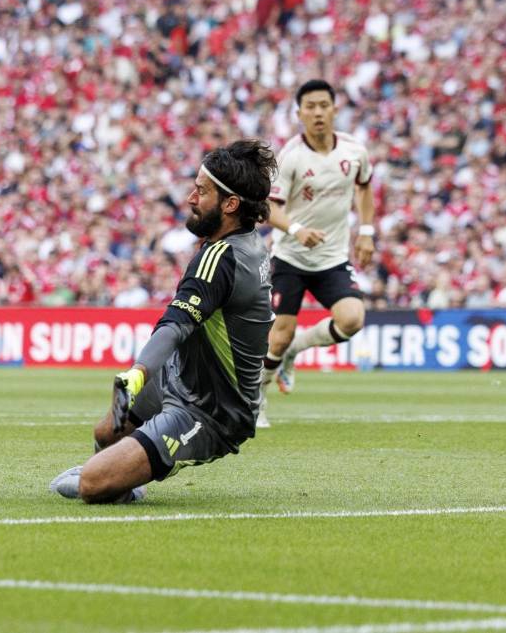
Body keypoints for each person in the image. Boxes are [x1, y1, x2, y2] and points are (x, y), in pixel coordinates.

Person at [49, 140, 277, 504]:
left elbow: (175, 325)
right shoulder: (246, 242)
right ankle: (119, 476)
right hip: (182, 375)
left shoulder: (221, 259)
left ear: (230, 205)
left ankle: (116, 483)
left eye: (202, 191)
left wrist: (137, 374)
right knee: (107, 431)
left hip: (213, 409)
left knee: (91, 484)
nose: (190, 198)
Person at [258, 79, 375, 428]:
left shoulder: (354, 151)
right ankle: (256, 400)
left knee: (352, 319)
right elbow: (270, 208)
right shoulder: (291, 156)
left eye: (324, 105)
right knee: (279, 336)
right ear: (300, 114)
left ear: (335, 109)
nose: (318, 113)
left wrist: (366, 232)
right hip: (290, 257)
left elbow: (364, 188)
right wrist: (296, 229)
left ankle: (296, 350)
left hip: (332, 257)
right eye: (310, 107)